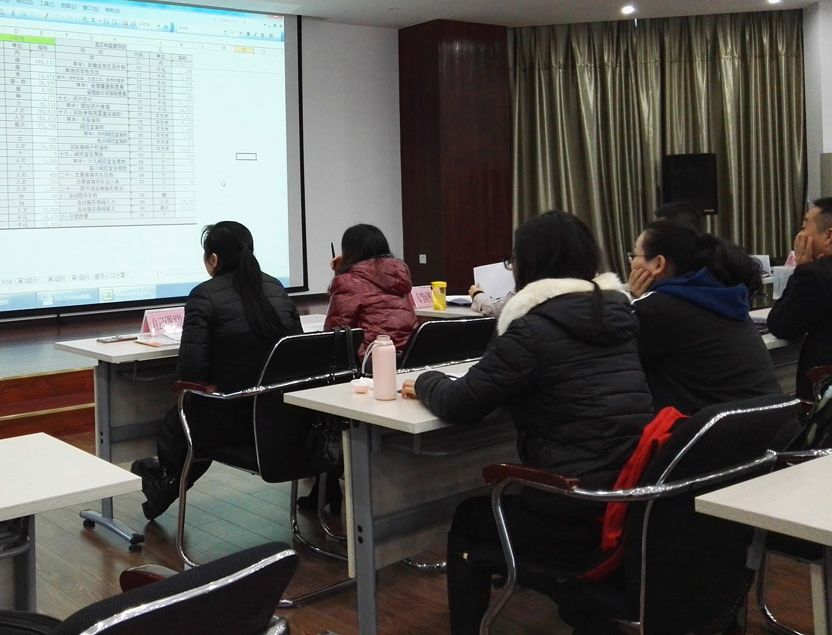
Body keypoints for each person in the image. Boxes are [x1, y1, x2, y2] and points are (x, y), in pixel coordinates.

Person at [401, 210, 652, 635]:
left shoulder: (532, 329)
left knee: (469, 519)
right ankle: (584, 612)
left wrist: (426, 380)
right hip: (628, 499)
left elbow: (461, 403)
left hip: (572, 511)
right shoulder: (619, 315)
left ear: (529, 264)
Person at [133, 221, 302, 520]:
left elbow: (190, 372)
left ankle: (164, 481)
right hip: (282, 420)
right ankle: (163, 484)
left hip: (231, 422)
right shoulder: (276, 288)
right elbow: (297, 351)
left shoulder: (204, 295)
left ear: (213, 259)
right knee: (194, 418)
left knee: (184, 417)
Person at [628, 219, 779, 414]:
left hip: (715, 429)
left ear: (658, 263)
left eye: (634, 255)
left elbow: (621, 366)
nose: (632, 263)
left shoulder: (655, 309)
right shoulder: (723, 294)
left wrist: (637, 301)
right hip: (772, 421)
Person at [769, 198, 832, 399]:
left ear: (828, 236)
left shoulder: (815, 274)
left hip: (823, 397)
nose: (800, 235)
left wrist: (801, 269)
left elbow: (781, 325)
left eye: (804, 227)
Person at [324, 223, 417, 359]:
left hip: (372, 358)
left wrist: (340, 274)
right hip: (409, 355)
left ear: (350, 251)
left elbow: (335, 332)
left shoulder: (348, 281)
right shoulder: (397, 274)